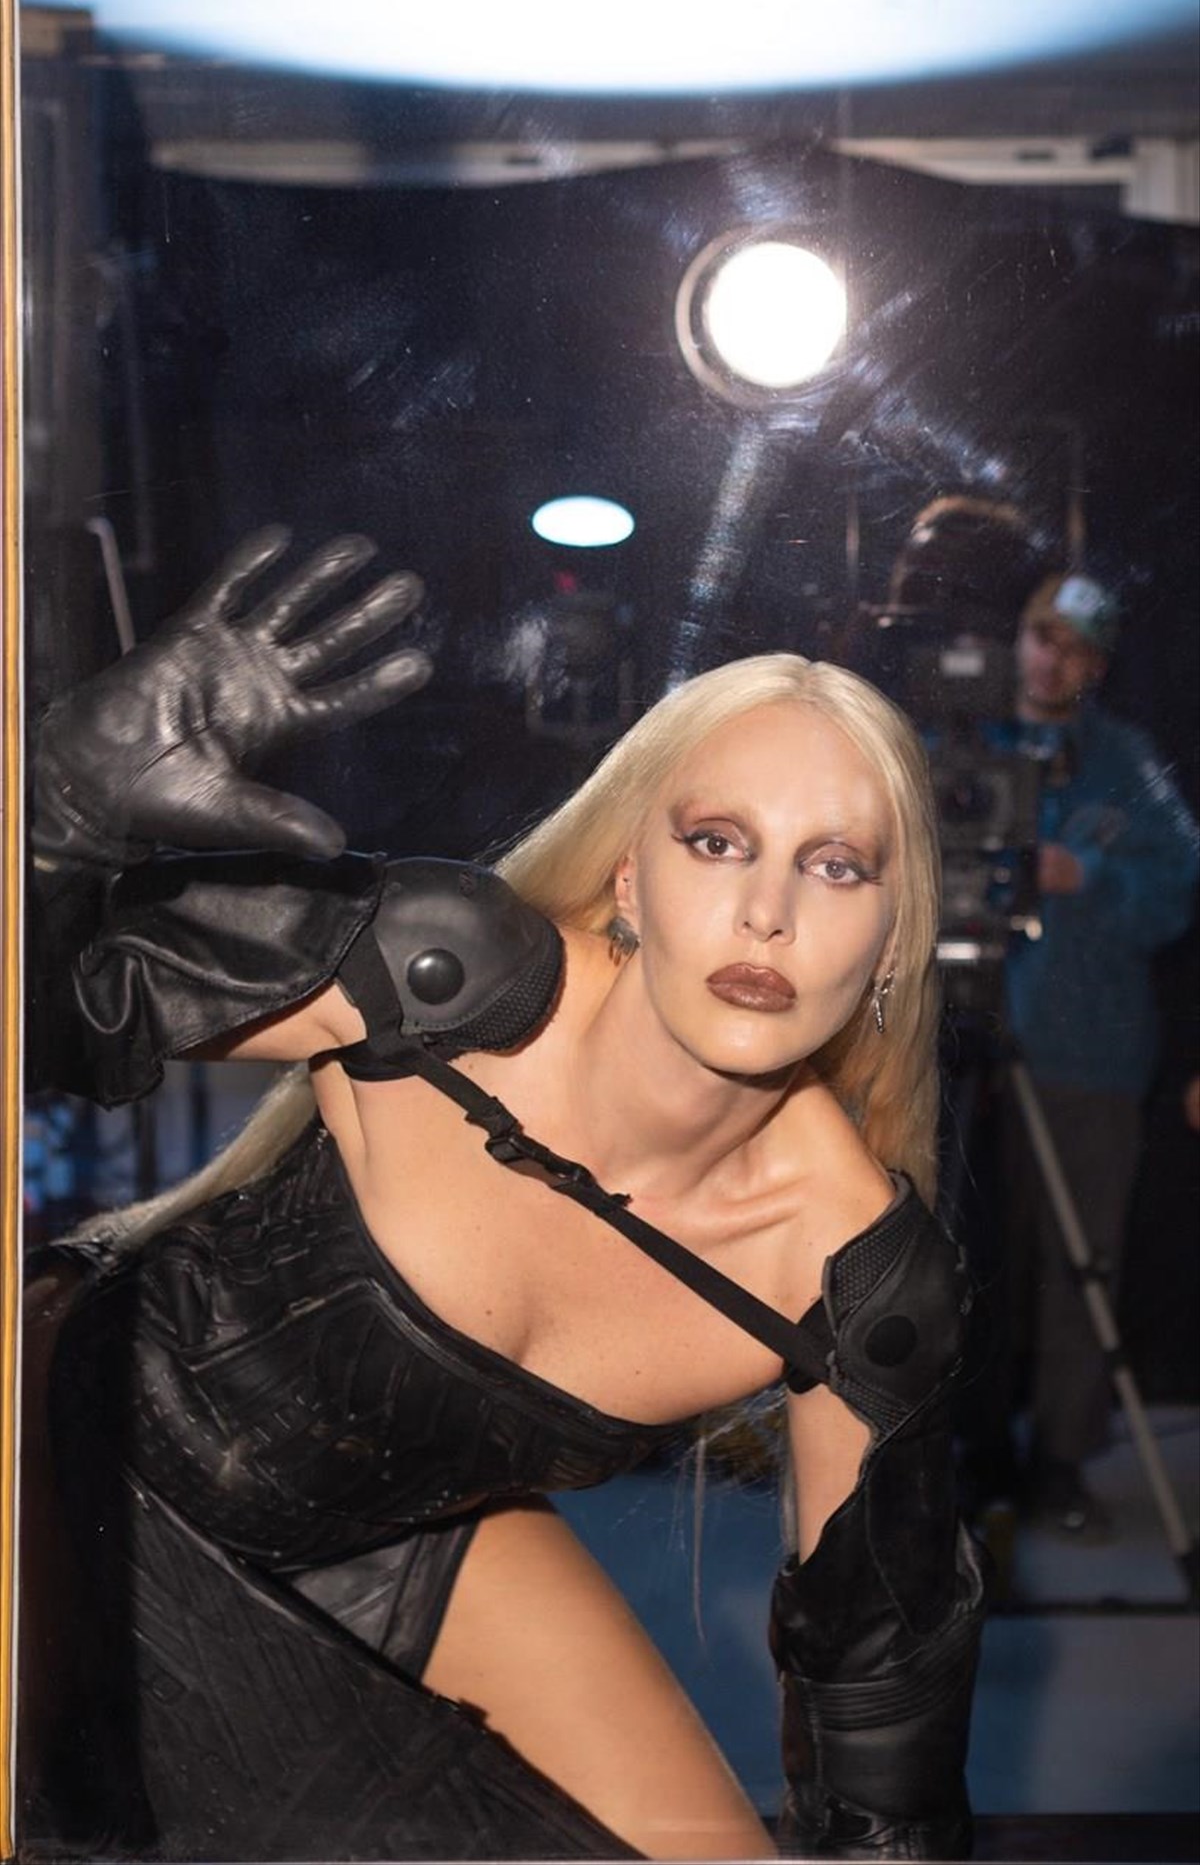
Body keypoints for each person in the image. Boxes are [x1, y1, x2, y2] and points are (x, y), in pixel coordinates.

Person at [26, 532, 986, 1862]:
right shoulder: (450, 979)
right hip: (79, 1440)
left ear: (889, 940)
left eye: (836, 865)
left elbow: (879, 1688)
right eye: (718, 841)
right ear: (631, 878)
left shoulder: (859, 1279)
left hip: (403, 1537)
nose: (766, 911)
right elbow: (45, 1019)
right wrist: (52, 814)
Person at [1001, 569, 1199, 1536]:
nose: (1053, 659)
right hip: (964, 1049)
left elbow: (1180, 887)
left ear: (1100, 664)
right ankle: (956, 1449)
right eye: (1043, 636)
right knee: (956, 1260)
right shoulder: (960, 743)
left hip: (1090, 1057)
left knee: (1081, 1266)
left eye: (1076, 647)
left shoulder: (1128, 760)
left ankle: (1060, 1460)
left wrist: (1088, 872)